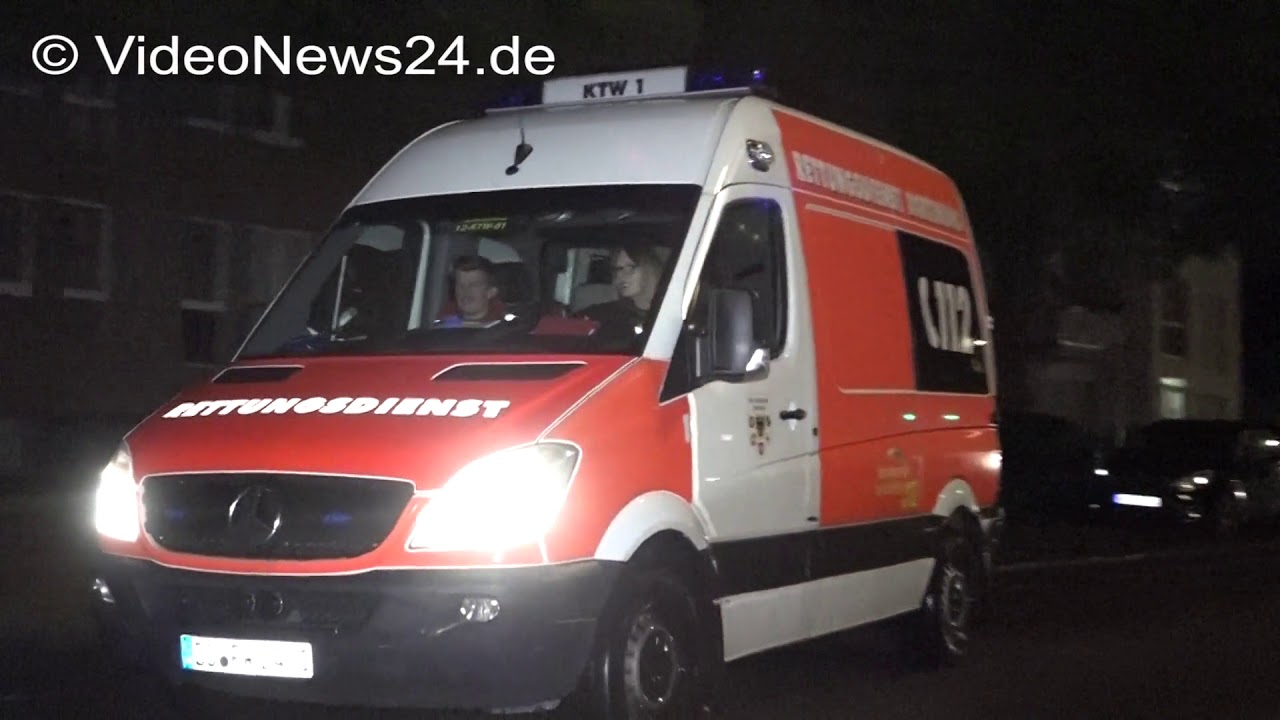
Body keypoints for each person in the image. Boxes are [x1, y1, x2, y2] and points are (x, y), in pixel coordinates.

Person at [578, 243, 664, 338]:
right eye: (617, 269)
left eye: (630, 267)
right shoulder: (609, 314)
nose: (619, 276)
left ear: (649, 269)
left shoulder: (669, 312)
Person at [436, 254, 507, 327]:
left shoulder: (505, 329)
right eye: (460, 285)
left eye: (474, 285)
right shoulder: (441, 326)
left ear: (491, 292)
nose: (466, 291)